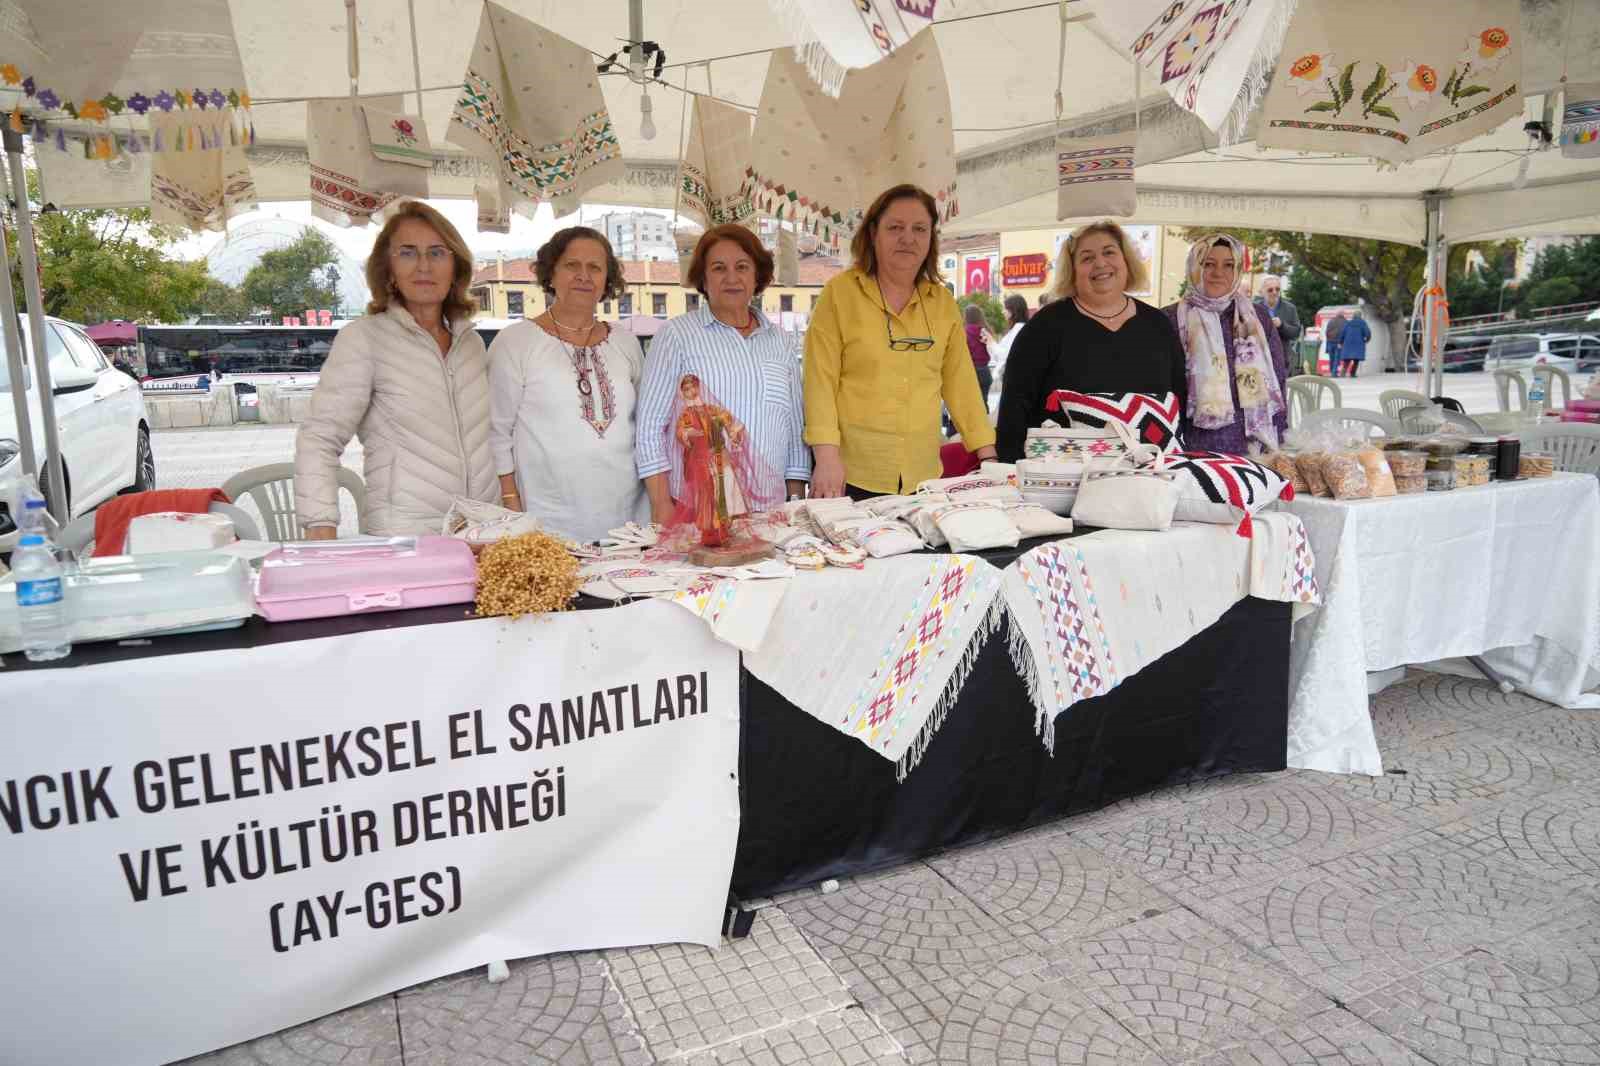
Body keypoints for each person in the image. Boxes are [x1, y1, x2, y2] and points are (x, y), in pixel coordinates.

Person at [295, 200, 496, 538]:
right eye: (407, 253)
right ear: (387, 269)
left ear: (455, 268)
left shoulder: (471, 344)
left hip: (483, 534)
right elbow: (319, 438)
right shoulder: (363, 339)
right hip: (406, 537)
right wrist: (320, 529)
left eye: (437, 253)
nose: (423, 266)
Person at [804, 184, 995, 498]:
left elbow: (960, 384)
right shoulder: (839, 295)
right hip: (851, 475)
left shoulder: (943, 303)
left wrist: (987, 454)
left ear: (931, 239)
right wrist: (826, 458)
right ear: (873, 234)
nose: (908, 238)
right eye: (895, 227)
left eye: (920, 229)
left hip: (924, 478)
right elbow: (819, 382)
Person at [636, 224, 808, 524]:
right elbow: (650, 427)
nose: (732, 278)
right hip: (698, 511)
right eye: (718, 268)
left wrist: (794, 503)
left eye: (742, 267)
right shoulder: (677, 335)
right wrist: (661, 505)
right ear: (703, 277)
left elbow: (793, 429)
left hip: (770, 512)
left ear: (758, 275)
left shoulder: (780, 340)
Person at [488, 226, 649, 542]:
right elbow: (497, 433)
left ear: (607, 280)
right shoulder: (516, 342)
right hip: (548, 523)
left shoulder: (626, 343)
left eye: (595, 268)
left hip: (629, 522)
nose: (583, 276)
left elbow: (646, 425)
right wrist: (512, 510)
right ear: (551, 273)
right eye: (571, 265)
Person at [995, 221, 1186, 462]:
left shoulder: (1158, 325)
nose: (1100, 263)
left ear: (1126, 260)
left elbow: (1179, 398)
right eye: (1087, 258)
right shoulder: (1045, 327)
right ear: (1072, 271)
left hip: (1153, 477)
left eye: (1109, 252)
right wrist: (1011, 471)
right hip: (1064, 480)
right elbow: (1015, 406)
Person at [1163, 234, 1289, 454]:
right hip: (1191, 448)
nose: (1218, 273)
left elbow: (1277, 376)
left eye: (1228, 265)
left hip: (1254, 447)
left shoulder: (1257, 317)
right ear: (1194, 267)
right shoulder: (1170, 319)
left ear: (1238, 269)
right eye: (1208, 264)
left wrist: (1279, 437)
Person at [990, 293, 1029, 385]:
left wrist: (991, 342)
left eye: (1005, 309)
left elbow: (1006, 355)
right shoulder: (1019, 329)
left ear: (1013, 310)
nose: (1003, 312)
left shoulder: (1018, 329)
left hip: (1014, 379)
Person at [1255, 275, 1302, 351]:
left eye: (1277, 289)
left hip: (1283, 357)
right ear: (1261, 292)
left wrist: (1281, 326)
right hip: (1261, 356)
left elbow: (1296, 333)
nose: (1274, 292)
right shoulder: (1255, 308)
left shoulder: (1290, 308)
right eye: (1270, 290)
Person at [1336, 308, 1371, 378]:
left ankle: (1342, 374)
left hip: (1348, 344)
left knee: (1347, 360)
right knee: (1356, 360)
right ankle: (1352, 373)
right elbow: (1367, 333)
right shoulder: (1363, 323)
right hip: (1358, 344)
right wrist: (1366, 340)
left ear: (1354, 316)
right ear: (1360, 316)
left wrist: (1340, 342)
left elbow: (1342, 333)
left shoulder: (1348, 323)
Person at [1321, 310, 1346, 375]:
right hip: (1339, 343)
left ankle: (1332, 370)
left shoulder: (1331, 321)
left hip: (1330, 342)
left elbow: (1327, 332)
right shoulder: (1345, 322)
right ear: (1343, 315)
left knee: (1331, 357)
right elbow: (1345, 334)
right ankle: (1334, 372)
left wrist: (1329, 339)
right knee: (1337, 358)